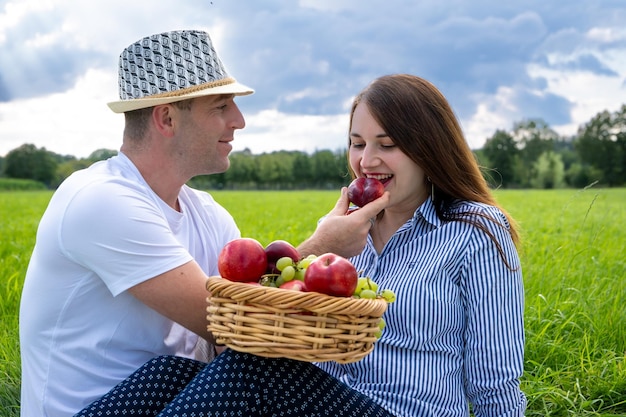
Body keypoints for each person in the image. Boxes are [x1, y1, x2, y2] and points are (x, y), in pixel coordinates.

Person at [72, 73, 526, 417]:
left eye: (387, 145)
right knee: (165, 373)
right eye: (357, 143)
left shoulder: (475, 232)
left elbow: (495, 381)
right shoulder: (347, 233)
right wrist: (322, 247)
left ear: (429, 149)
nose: (366, 162)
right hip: (321, 400)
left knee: (252, 374)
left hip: (397, 409)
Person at [18, 29, 387, 417]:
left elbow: (241, 338)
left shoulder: (208, 215)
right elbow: (229, 324)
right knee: (244, 374)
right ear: (167, 118)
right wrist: (319, 249)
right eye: (220, 106)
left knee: (205, 368)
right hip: (100, 408)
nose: (239, 121)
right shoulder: (100, 199)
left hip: (167, 396)